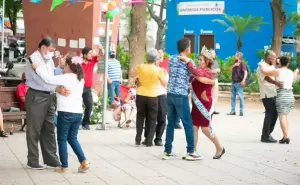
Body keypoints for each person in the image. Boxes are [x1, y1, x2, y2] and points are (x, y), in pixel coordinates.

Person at [32, 55, 89, 173]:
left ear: (69, 66)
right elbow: (54, 84)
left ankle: (64, 166)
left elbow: (48, 79)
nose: (64, 67)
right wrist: (58, 88)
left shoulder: (66, 77)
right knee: (72, 138)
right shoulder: (80, 79)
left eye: (65, 65)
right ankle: (84, 161)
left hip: (66, 113)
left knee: (62, 139)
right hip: (78, 113)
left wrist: (37, 68)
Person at [163, 38, 213, 161]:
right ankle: (191, 151)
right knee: (188, 124)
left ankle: (167, 151)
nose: (191, 48)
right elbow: (196, 74)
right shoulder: (189, 61)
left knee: (170, 123)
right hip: (181, 95)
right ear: (186, 49)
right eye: (190, 46)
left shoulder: (171, 59)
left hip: (170, 94)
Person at [25, 37, 68, 170]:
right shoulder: (33, 59)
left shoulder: (48, 60)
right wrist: (56, 88)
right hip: (36, 95)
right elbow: (40, 80)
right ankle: (32, 160)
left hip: (48, 96)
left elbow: (52, 75)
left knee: (49, 128)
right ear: (43, 47)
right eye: (50, 49)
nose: (52, 52)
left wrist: (60, 67)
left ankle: (51, 159)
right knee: (34, 130)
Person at [179, 46, 225, 159]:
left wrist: (188, 61)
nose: (198, 62)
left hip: (205, 104)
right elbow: (192, 77)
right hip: (195, 104)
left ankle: (220, 148)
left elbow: (198, 75)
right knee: (194, 127)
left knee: (205, 129)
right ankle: (192, 151)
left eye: (200, 60)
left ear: (206, 62)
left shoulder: (208, 72)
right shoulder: (198, 72)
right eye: (198, 59)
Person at [259, 55, 298, 144]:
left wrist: (261, 65)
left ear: (279, 63)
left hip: (282, 95)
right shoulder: (290, 72)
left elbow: (264, 72)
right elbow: (293, 80)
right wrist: (296, 72)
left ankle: (286, 136)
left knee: (282, 117)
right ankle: (285, 135)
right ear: (287, 63)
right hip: (290, 95)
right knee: (285, 116)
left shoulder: (277, 71)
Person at [135, 48, 167, 147]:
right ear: (155, 59)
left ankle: (138, 138)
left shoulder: (140, 67)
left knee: (140, 116)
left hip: (140, 94)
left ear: (146, 58)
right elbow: (164, 83)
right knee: (153, 118)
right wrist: (164, 75)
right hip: (153, 96)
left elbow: (134, 76)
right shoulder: (159, 70)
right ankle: (149, 141)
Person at [256, 50, 283, 143]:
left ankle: (268, 133)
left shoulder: (271, 66)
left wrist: (279, 82)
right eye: (274, 57)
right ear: (269, 57)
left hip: (273, 92)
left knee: (274, 113)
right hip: (266, 93)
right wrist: (276, 82)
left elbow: (275, 75)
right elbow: (266, 77)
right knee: (269, 113)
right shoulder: (261, 65)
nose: (275, 59)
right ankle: (265, 136)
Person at [144, 54, 169, 146]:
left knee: (162, 118)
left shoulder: (163, 71)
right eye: (155, 59)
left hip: (161, 95)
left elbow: (165, 84)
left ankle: (158, 138)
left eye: (158, 59)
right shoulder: (146, 70)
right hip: (150, 95)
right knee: (149, 118)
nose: (156, 61)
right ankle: (147, 137)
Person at [81, 45, 104, 130]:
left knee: (89, 105)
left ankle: (85, 123)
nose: (91, 55)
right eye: (89, 53)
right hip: (79, 88)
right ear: (84, 55)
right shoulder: (79, 63)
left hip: (87, 88)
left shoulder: (92, 61)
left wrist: (101, 48)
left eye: (91, 53)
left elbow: (102, 55)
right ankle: (76, 122)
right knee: (77, 106)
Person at [227, 52, 247, 116]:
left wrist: (243, 80)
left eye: (235, 55)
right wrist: (234, 65)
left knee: (241, 97)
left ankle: (241, 111)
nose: (234, 56)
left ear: (239, 56)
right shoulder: (234, 63)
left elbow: (245, 72)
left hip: (239, 83)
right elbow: (228, 70)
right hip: (233, 82)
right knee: (232, 97)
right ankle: (233, 111)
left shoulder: (242, 64)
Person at [210, 49, 221, 114]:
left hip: (215, 79)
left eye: (214, 53)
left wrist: (218, 70)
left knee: (215, 95)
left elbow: (218, 68)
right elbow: (206, 70)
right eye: (213, 53)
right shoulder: (207, 61)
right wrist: (214, 71)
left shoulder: (215, 61)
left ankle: (213, 109)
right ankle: (210, 109)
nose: (215, 54)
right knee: (209, 95)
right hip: (210, 79)